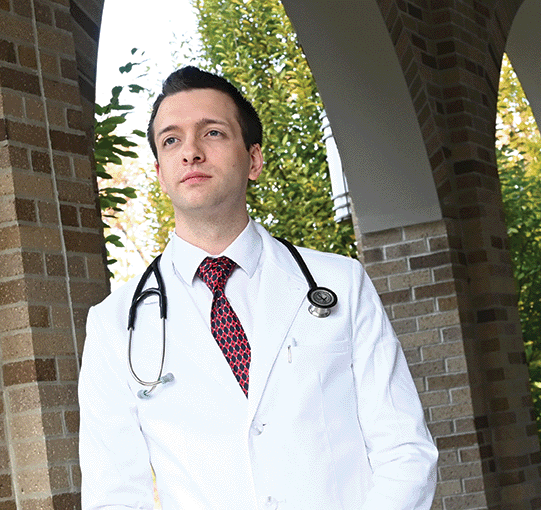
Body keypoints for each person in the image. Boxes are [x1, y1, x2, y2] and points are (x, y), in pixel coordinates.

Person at [78, 66, 437, 510]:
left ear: (254, 160)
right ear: (158, 171)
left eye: (212, 133)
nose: (190, 151)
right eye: (171, 139)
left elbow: (404, 449)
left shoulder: (339, 283)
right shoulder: (115, 325)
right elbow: (113, 496)